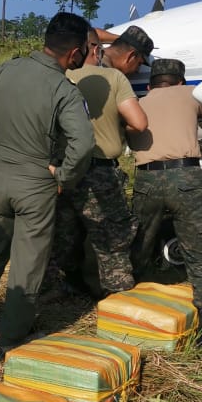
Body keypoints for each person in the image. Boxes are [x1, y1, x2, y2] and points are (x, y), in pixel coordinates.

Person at [0, 12, 95, 351]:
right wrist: (64, 176)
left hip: (1, 178)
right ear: (75, 52)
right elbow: (83, 143)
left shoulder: (8, 69)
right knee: (28, 264)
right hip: (36, 184)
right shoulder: (64, 90)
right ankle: (13, 335)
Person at [127, 58, 202, 346]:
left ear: (151, 85)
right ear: (181, 81)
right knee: (201, 245)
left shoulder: (139, 102)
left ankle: (130, 306)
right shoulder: (192, 94)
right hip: (185, 175)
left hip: (146, 178)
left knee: (139, 243)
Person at [50, 28, 148, 298]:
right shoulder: (114, 78)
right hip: (99, 170)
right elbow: (139, 122)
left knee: (63, 230)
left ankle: (58, 285)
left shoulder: (62, 75)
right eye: (139, 63)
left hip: (61, 167)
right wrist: (117, 128)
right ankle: (117, 293)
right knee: (112, 233)